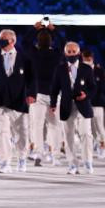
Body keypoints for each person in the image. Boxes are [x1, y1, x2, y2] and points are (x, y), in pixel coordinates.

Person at [0, 28, 37, 174]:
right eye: (0, 38)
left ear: (13, 41)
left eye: (4, 39)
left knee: (22, 132)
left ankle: (22, 158)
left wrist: (32, 94)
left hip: (19, 100)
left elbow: (32, 79)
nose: (1, 41)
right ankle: (5, 161)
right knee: (2, 132)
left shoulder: (25, 58)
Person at [49, 41, 95, 175]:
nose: (71, 54)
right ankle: (72, 164)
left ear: (78, 53)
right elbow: (54, 88)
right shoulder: (60, 69)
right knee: (68, 136)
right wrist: (52, 104)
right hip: (66, 105)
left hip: (83, 105)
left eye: (74, 51)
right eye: (69, 52)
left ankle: (88, 162)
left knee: (86, 133)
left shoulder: (87, 69)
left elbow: (93, 88)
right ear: (65, 53)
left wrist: (86, 95)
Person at [25, 21, 62, 166]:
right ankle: (55, 156)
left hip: (38, 93)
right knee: (55, 126)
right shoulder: (56, 54)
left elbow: (25, 42)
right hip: (53, 93)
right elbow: (64, 44)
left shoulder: (34, 53)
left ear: (37, 41)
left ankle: (39, 153)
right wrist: (55, 31)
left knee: (37, 125)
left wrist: (34, 29)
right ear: (51, 41)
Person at [82, 50, 105, 159]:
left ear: (92, 58)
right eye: (85, 59)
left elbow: (104, 87)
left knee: (99, 126)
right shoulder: (81, 69)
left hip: (98, 102)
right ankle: (95, 145)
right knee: (91, 128)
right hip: (86, 102)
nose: (87, 61)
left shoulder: (99, 70)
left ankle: (102, 146)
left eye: (88, 59)